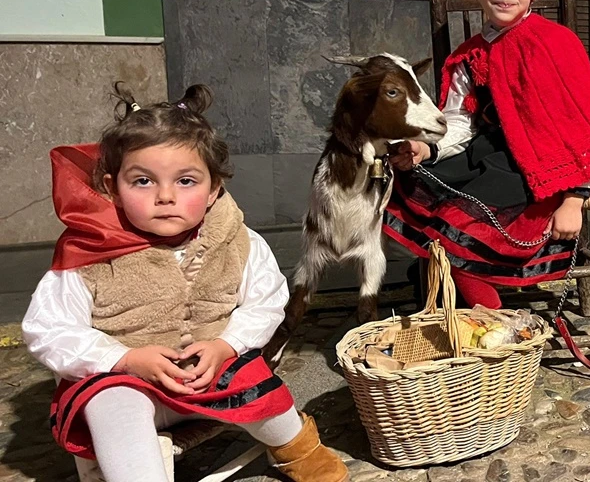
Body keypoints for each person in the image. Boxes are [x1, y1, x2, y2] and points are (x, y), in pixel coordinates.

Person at [22, 85, 348, 482]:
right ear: (113, 189)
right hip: (132, 381)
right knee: (112, 406)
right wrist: (122, 360)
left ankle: (298, 448)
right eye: (143, 181)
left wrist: (225, 344)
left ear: (213, 190)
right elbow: (48, 328)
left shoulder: (236, 241)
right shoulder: (88, 254)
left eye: (186, 181)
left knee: (259, 382)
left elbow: (266, 300)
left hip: (212, 373)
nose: (165, 196)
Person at [383, 0, 590, 308]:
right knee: (406, 187)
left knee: (464, 225)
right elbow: (459, 120)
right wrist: (428, 150)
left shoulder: (557, 44)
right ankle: (456, 282)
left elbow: (583, 127)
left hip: (540, 168)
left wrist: (574, 199)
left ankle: (474, 296)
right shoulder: (469, 55)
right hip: (487, 153)